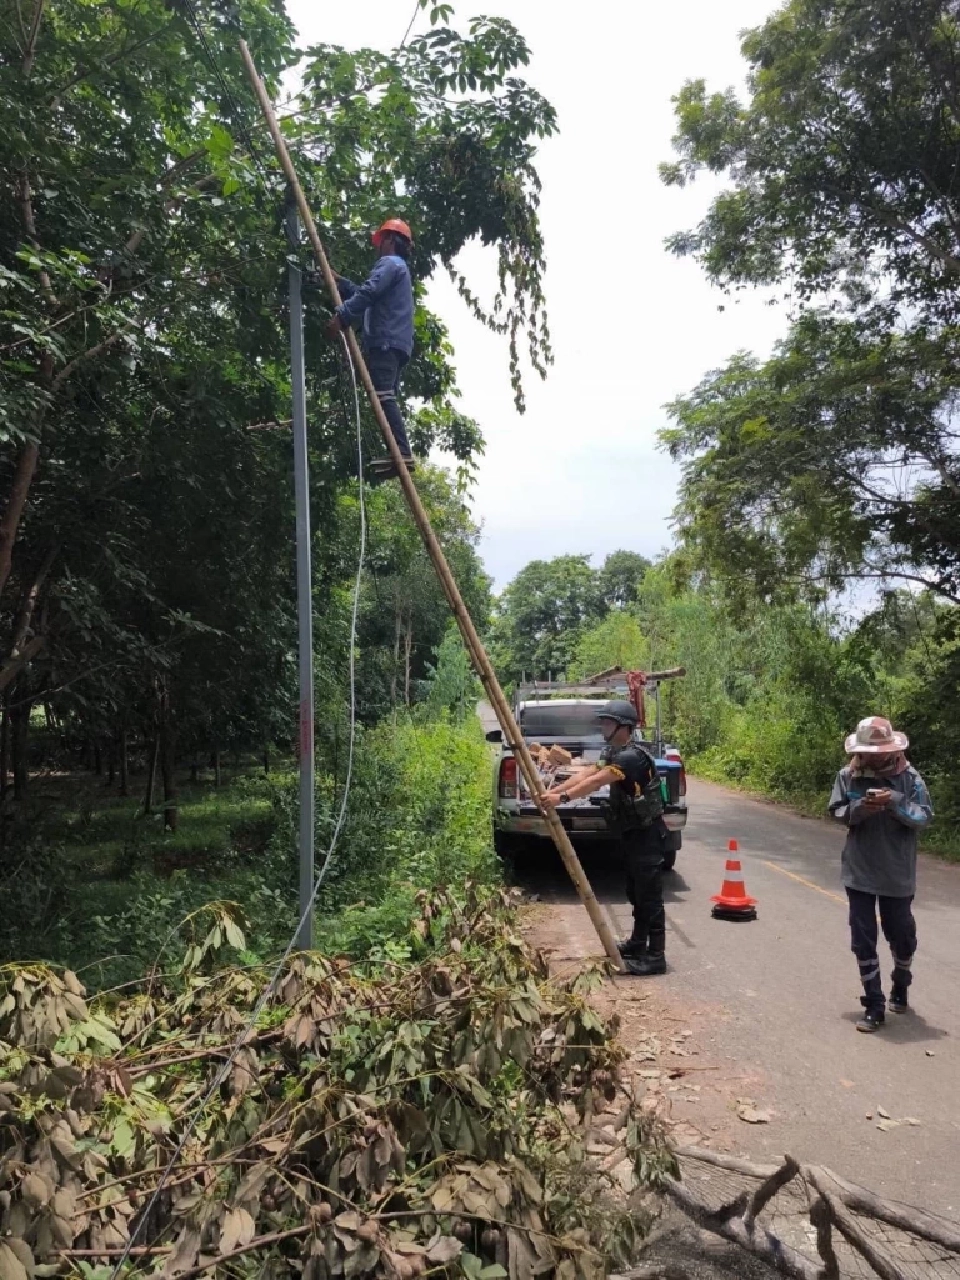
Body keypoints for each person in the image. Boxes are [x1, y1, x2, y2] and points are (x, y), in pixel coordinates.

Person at [541, 699, 669, 976]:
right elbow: (589, 772)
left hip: (647, 835)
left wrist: (561, 798)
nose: (603, 727)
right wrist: (555, 791)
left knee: (649, 897)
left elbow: (598, 781)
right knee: (635, 892)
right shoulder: (613, 751)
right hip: (633, 834)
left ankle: (656, 956)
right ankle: (637, 944)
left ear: (624, 728)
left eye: (608, 723)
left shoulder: (630, 758)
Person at [828, 716, 933, 1034]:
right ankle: (873, 1004)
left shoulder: (909, 777)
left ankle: (901, 980)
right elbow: (835, 811)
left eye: (879, 751)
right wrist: (860, 808)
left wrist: (895, 805)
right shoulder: (848, 775)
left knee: (901, 933)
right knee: (862, 938)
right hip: (859, 870)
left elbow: (925, 815)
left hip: (896, 872)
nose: (874, 757)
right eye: (868, 752)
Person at [325, 218, 416, 474]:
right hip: (396, 342)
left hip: (385, 341)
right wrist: (340, 281)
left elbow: (368, 292)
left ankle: (402, 452)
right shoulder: (399, 270)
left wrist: (341, 317)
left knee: (383, 396)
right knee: (385, 396)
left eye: (380, 240)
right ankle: (398, 453)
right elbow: (366, 293)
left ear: (388, 240)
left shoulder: (390, 264)